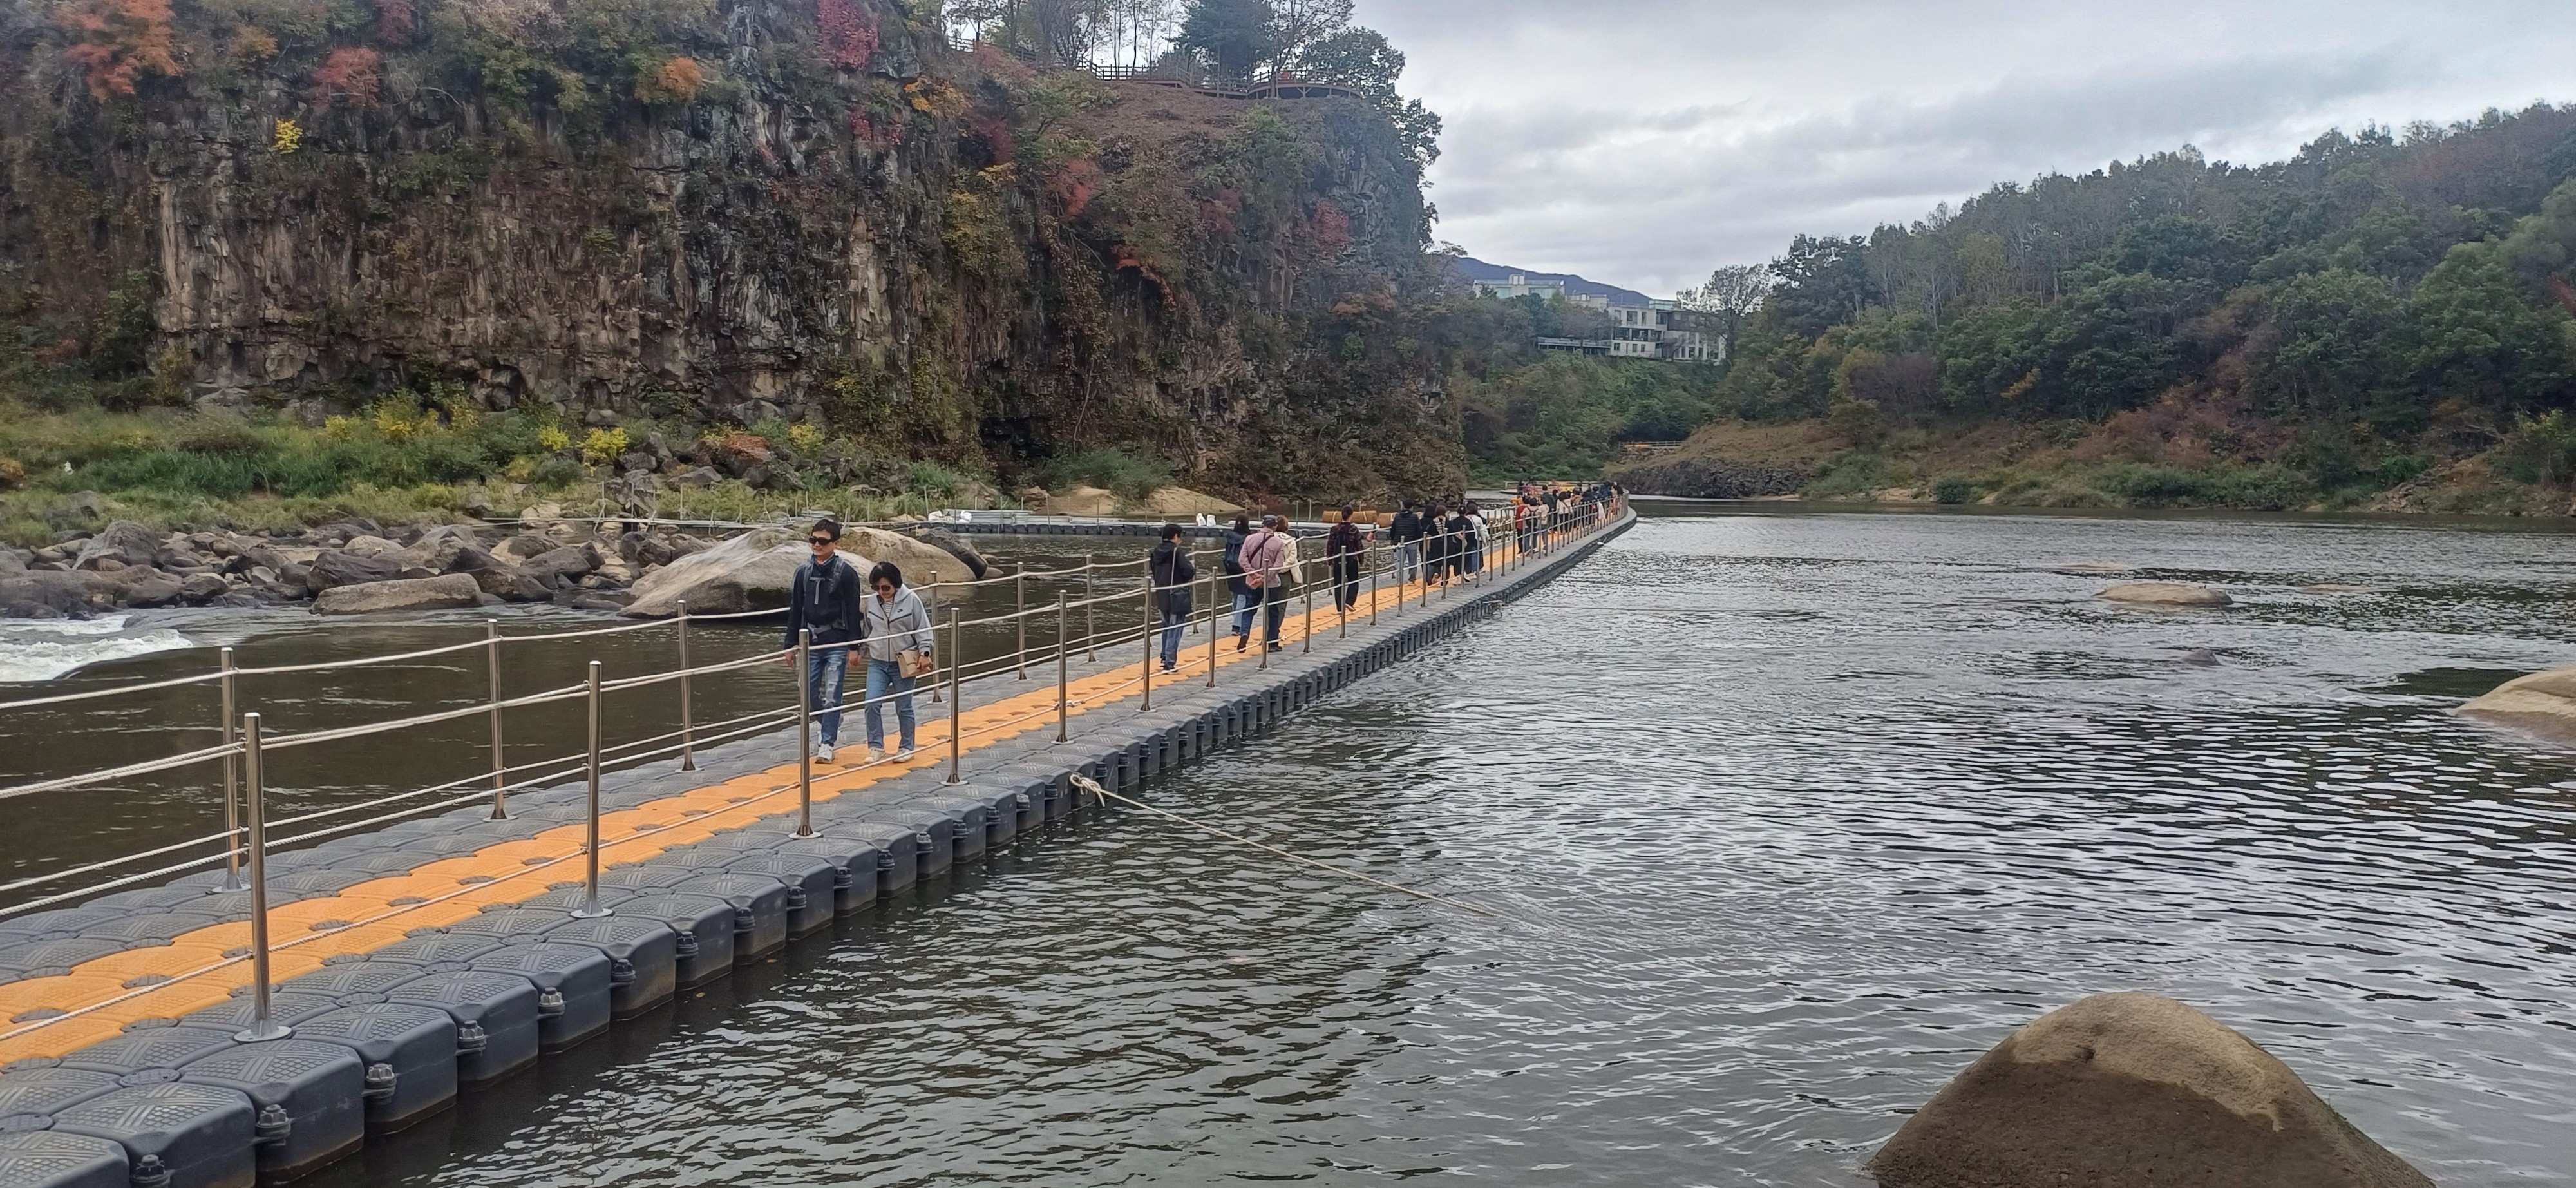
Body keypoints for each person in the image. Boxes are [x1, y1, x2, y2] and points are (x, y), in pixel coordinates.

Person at [783, 519, 864, 763]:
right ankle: (830, 718)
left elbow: (853, 611)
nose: (817, 545)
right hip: (810, 641)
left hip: (836, 641)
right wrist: (789, 645)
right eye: (813, 540)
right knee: (806, 690)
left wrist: (854, 647)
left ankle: (827, 742)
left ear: (835, 544)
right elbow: (796, 609)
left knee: (833, 693)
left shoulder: (846, 573)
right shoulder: (803, 572)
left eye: (822, 541)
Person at [857, 560, 933, 762]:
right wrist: (858, 652)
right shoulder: (871, 602)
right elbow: (867, 629)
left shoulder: (912, 599)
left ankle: (907, 747)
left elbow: (923, 628)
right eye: (876, 587)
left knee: (904, 706)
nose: (881, 591)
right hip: (878, 661)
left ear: (896, 584)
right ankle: (876, 747)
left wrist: (925, 653)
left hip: (904, 660)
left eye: (885, 587)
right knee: (871, 703)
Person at [1239, 513, 1294, 651]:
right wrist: (1265, 577)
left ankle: (1244, 632)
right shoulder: (1278, 542)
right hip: (1271, 583)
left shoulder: (1249, 539)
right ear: (1275, 526)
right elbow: (1278, 564)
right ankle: (1272, 643)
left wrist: (1253, 574)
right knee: (1273, 612)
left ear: (1262, 524)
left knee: (1249, 609)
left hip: (1252, 582)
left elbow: (1242, 560)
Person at [1150, 523, 1197, 673]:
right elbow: (1188, 571)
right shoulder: (1177, 552)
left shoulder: (1155, 552)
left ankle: (1164, 656)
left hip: (1161, 593)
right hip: (1177, 594)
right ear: (1175, 537)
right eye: (1179, 537)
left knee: (1166, 626)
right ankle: (1170, 662)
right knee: (1176, 628)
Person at [1223, 513, 1257, 651]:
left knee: (1235, 596)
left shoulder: (1231, 536)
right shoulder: (1248, 538)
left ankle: (1236, 622)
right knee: (1243, 597)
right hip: (1243, 569)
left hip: (1230, 568)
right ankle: (1237, 626)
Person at [1325, 504, 1365, 611]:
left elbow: (1330, 545)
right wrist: (1361, 559)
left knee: (1338, 583)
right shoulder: (1354, 529)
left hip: (1337, 560)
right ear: (1351, 515)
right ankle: (1349, 602)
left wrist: (1330, 559)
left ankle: (1339, 608)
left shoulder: (1334, 529)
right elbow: (1359, 546)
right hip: (1351, 559)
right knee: (1353, 581)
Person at [1388, 499, 1422, 585]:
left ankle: (1399, 580)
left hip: (1399, 542)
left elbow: (1393, 529)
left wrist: (1392, 539)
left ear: (1403, 506)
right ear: (1412, 507)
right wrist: (1418, 539)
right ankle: (1412, 579)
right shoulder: (1414, 517)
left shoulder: (1397, 516)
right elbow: (1418, 530)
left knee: (1400, 562)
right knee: (1413, 562)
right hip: (1412, 541)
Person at [1461, 500, 1486, 575]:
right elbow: (1482, 530)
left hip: (1468, 538)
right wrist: (1485, 540)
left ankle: (1468, 570)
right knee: (1476, 554)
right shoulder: (1478, 519)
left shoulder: (1466, 518)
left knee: (1468, 555)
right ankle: (1475, 570)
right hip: (1477, 538)